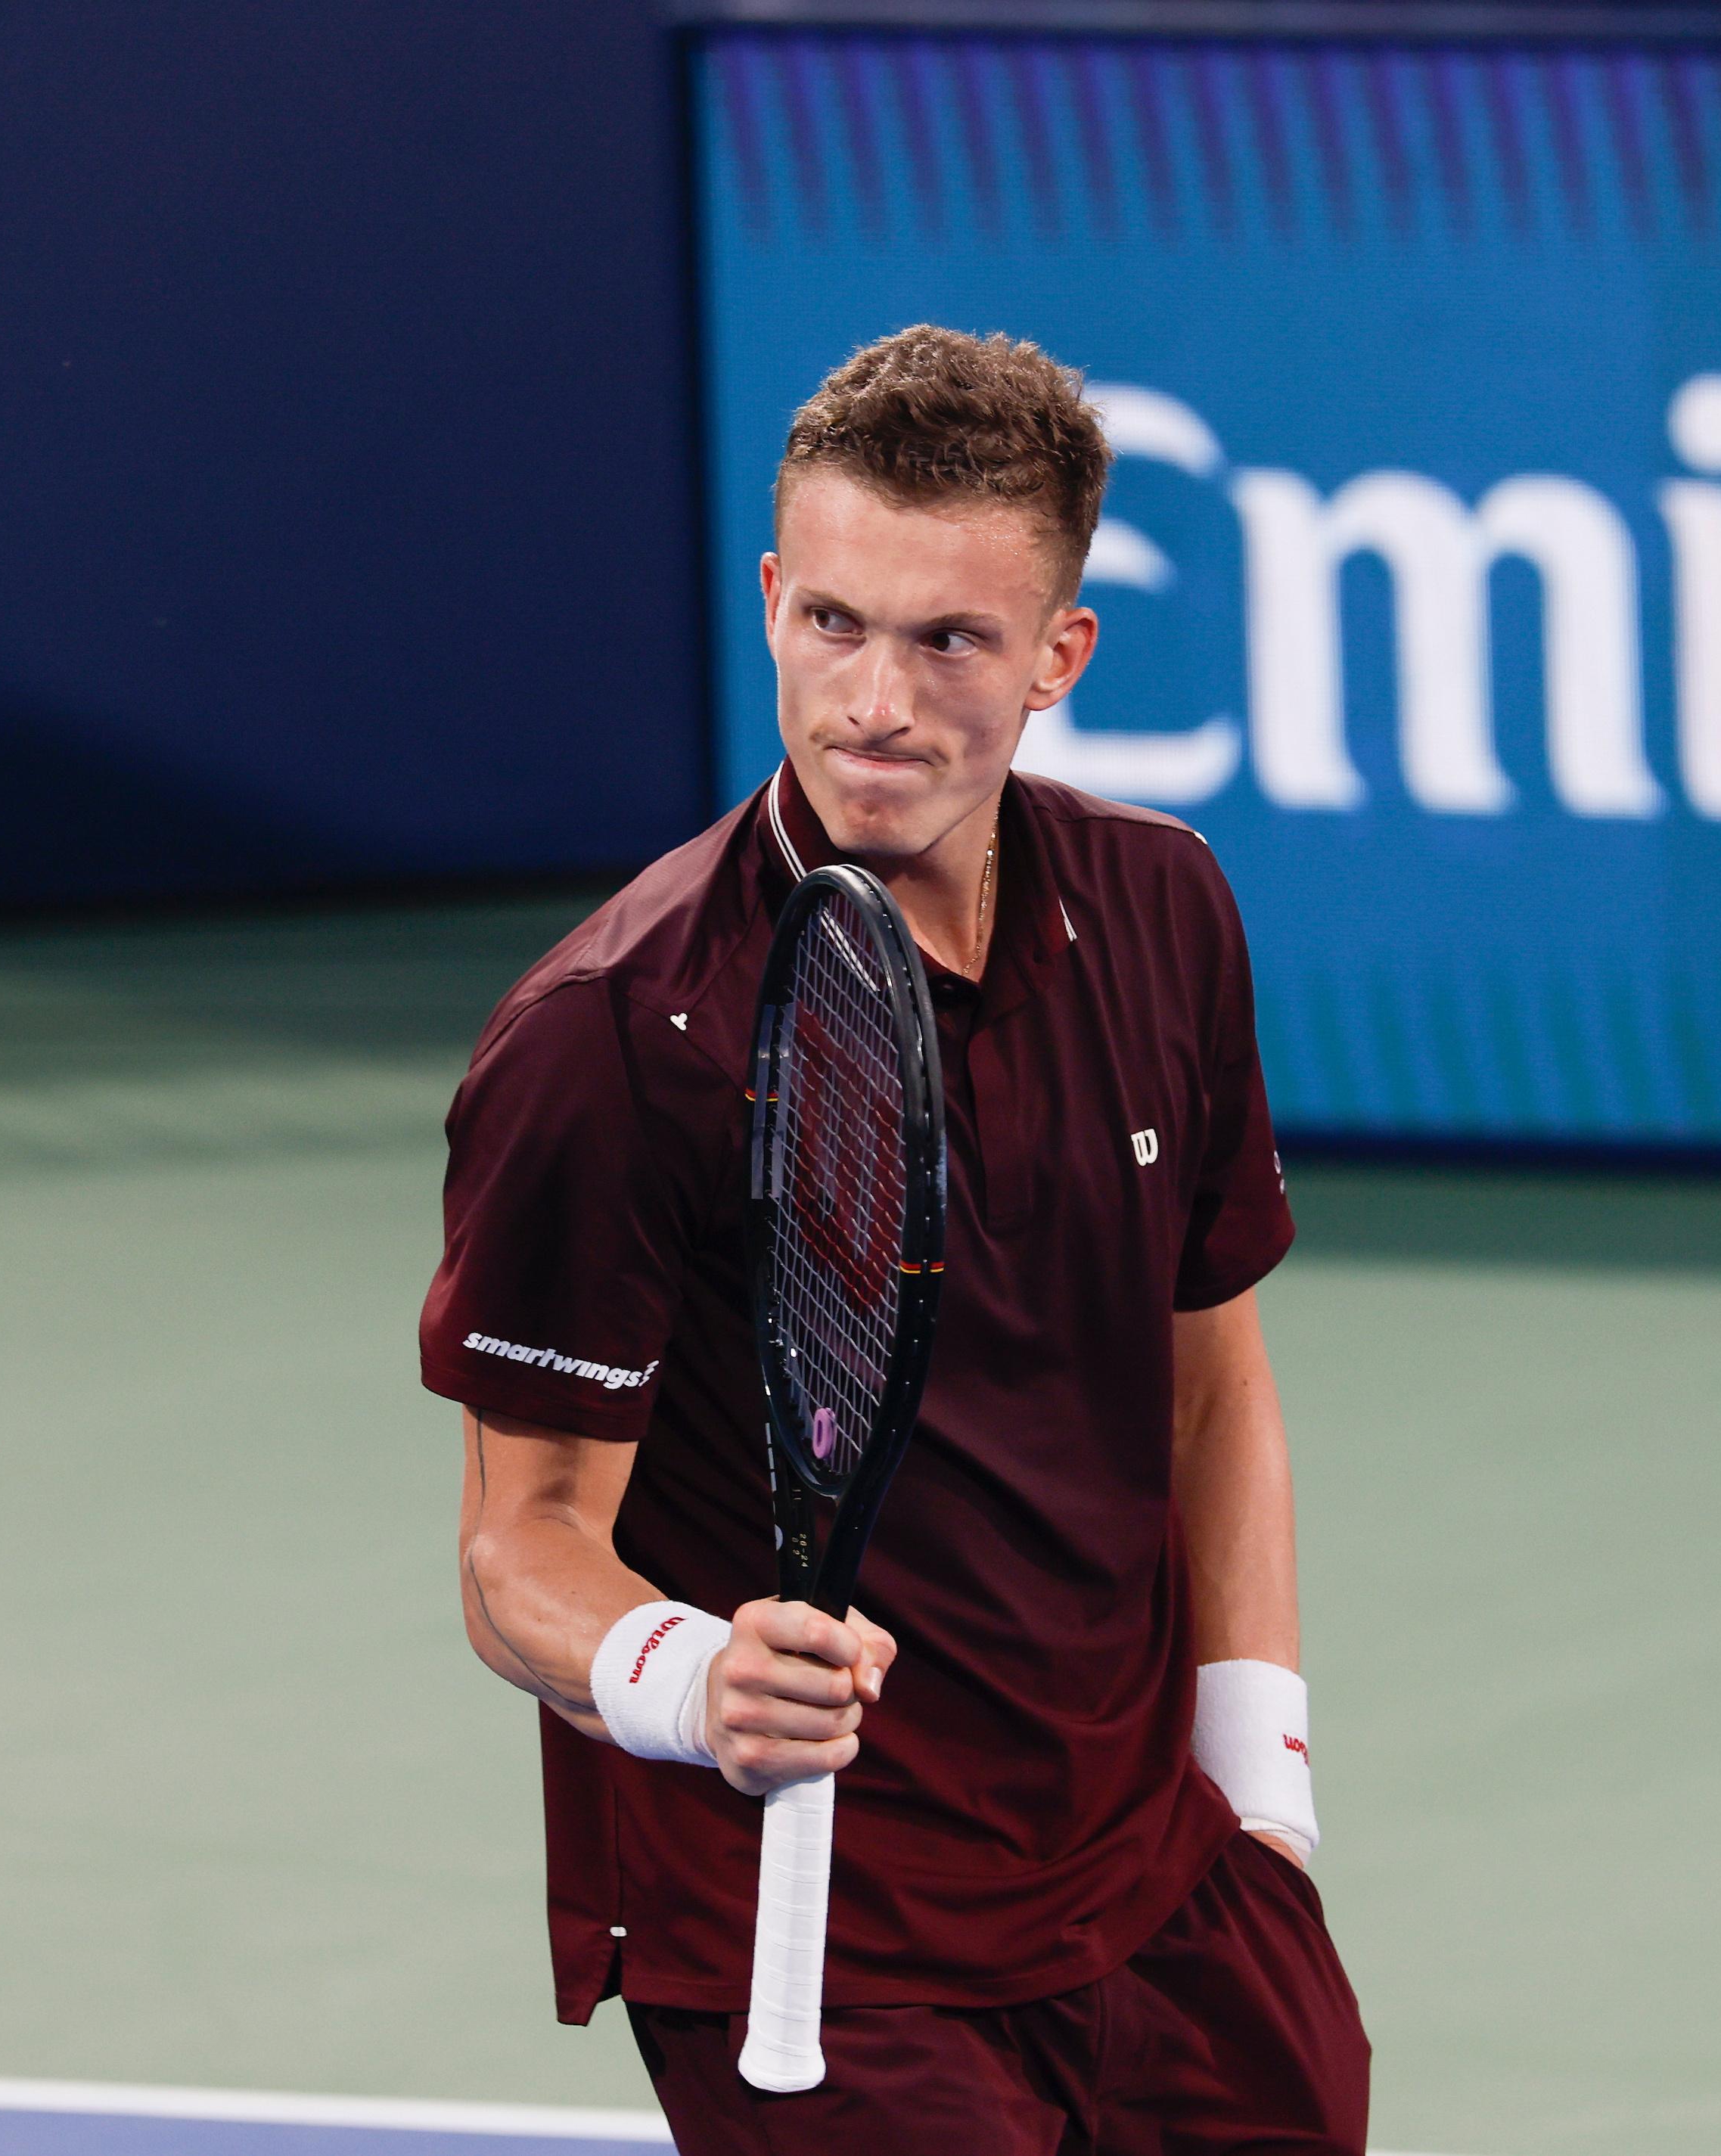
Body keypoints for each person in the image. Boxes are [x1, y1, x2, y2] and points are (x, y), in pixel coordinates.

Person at [418, 324, 1366, 2153]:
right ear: (773, 596)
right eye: (834, 622)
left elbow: (1210, 1396)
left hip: (1158, 1897)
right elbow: (517, 1549)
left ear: (1060, 655)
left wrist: (1261, 1798)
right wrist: (690, 1676)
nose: (875, 703)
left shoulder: (1164, 907)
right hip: (820, 1954)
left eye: (951, 642)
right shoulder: (617, 1036)